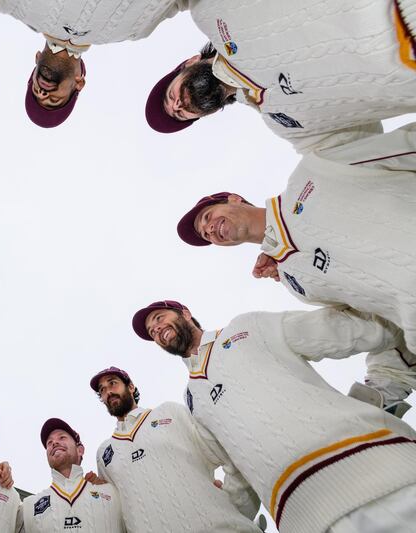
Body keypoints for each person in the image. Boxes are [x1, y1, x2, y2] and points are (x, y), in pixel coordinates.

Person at [133, 299, 416, 532]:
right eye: (151, 332)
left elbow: (351, 330)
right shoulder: (192, 399)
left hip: (382, 477)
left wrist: (388, 379)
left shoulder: (245, 328)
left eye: (158, 318)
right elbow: (236, 468)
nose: (156, 329)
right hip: (306, 519)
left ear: (185, 313)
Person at [175, 123, 416, 365]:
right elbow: (372, 320)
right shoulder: (294, 281)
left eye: (207, 217)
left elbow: (402, 148)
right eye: (206, 235)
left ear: (234, 199)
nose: (209, 229)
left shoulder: (309, 176)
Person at [146, 0, 416, 152]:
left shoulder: (214, 10)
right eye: (180, 114)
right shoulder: (290, 126)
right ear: (206, 115)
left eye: (171, 95)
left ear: (188, 63)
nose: (178, 105)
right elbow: (363, 155)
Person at [90, 366, 262, 532]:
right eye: (102, 390)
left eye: (112, 383)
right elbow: (117, 516)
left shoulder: (168, 413)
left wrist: (236, 507)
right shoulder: (105, 453)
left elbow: (230, 453)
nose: (108, 392)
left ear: (131, 386)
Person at [0, 0, 186, 128]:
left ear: (36, 59)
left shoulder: (16, 6)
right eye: (54, 100)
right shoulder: (135, 30)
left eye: (37, 90)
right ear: (79, 83)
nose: (43, 93)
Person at [18, 418, 124, 532]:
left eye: (62, 437)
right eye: (49, 442)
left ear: (80, 450)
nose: (54, 443)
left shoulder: (112, 492)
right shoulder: (29, 506)